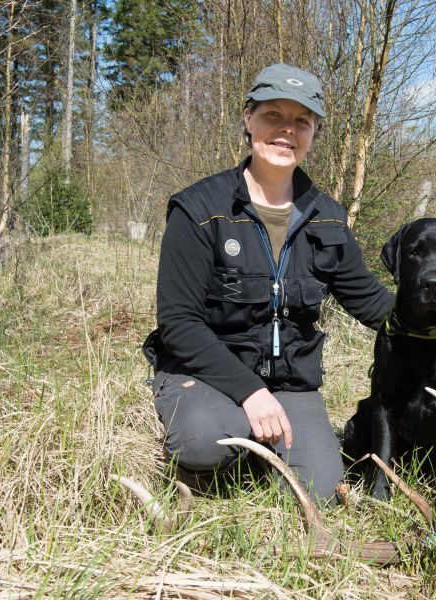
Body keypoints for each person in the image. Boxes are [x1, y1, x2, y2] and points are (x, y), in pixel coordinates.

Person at [144, 64, 392, 503]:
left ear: (314, 131)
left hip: (289, 382)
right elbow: (179, 323)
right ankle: (229, 438)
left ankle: (266, 445)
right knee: (207, 439)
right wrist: (250, 393)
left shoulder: (328, 216)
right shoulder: (200, 209)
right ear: (248, 118)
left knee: (320, 491)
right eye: (273, 115)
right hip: (206, 374)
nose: (286, 131)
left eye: (301, 121)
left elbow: (370, 302)